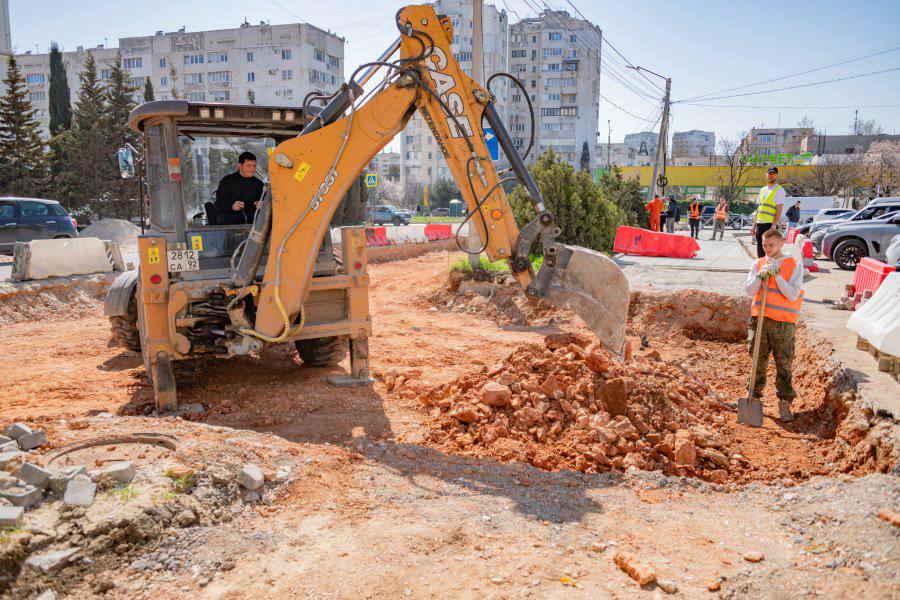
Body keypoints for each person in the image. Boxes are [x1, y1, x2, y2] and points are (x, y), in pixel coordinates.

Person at [745, 228, 804, 422]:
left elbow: (792, 294)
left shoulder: (793, 264)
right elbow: (750, 291)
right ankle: (752, 396)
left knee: (784, 363)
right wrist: (761, 275)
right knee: (757, 360)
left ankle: (784, 402)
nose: (767, 249)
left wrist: (777, 276)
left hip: (783, 323)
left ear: (781, 243)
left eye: (771, 245)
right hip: (760, 320)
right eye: (764, 245)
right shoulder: (758, 263)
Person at [214, 152, 265, 225]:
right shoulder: (227, 181)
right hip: (230, 222)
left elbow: (266, 202)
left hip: (253, 223)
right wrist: (232, 206)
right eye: (248, 165)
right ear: (240, 166)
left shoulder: (259, 184)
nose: (252, 169)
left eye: (254, 166)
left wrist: (262, 205)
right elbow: (218, 205)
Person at [750, 166, 786, 258]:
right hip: (759, 223)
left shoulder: (779, 190)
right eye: (770, 173)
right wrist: (754, 225)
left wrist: (774, 225)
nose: (771, 176)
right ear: (767, 175)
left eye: (773, 174)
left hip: (769, 224)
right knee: (760, 246)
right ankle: (761, 268)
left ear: (776, 176)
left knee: (769, 248)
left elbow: (779, 209)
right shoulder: (762, 190)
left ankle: (769, 269)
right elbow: (758, 209)